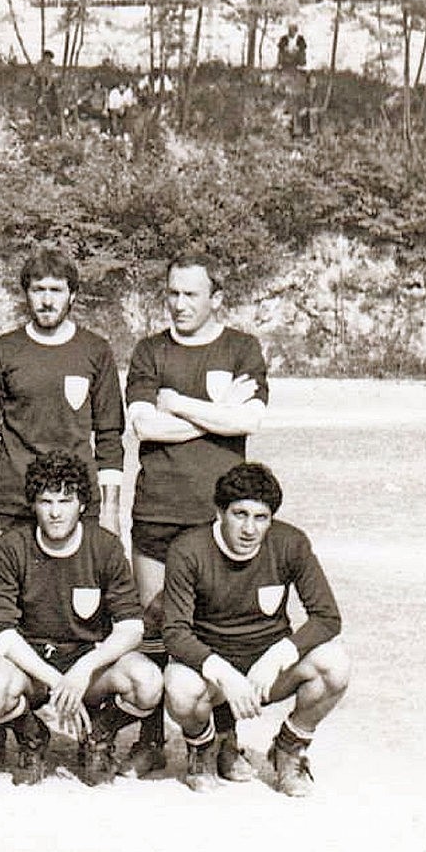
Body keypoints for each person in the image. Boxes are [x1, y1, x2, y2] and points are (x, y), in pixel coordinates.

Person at [123, 252, 268, 777]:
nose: (179, 304)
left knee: (217, 629)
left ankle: (224, 744)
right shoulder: (148, 350)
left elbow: (249, 418)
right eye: (172, 294)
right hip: (158, 514)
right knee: (155, 626)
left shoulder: (242, 348)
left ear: (215, 297)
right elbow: (144, 427)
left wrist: (178, 404)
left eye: (191, 294)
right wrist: (216, 414)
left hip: (218, 521)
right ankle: (150, 740)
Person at [0, 451, 161, 785]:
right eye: (45, 501)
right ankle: (32, 736)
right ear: (33, 504)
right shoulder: (12, 547)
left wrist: (84, 668)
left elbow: (131, 627)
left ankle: (99, 734)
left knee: (148, 682)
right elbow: (2, 633)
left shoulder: (105, 546)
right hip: (33, 666)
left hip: (87, 665)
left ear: (82, 503)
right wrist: (57, 681)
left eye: (65, 501)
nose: (55, 512)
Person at [163, 463, 349, 796]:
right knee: (178, 688)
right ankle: (205, 747)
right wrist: (224, 673)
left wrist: (279, 655)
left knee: (335, 665)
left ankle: (290, 748)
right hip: (215, 677)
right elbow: (175, 632)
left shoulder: (290, 543)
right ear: (220, 511)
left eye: (261, 517)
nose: (249, 528)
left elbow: (327, 617)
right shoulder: (188, 549)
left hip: (266, 673)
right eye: (240, 514)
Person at [0, 249, 124, 560]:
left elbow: (109, 436)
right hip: (13, 503)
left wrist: (110, 510)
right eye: (38, 290)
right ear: (26, 294)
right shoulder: (2, 351)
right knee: (10, 603)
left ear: (73, 296)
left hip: (77, 502)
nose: (47, 300)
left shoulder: (96, 350)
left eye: (56, 290)